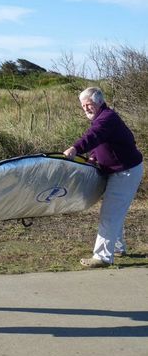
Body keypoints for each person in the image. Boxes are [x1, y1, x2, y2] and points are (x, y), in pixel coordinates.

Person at [63, 87, 143, 268]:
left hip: (126, 172)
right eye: (83, 106)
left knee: (110, 213)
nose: (85, 109)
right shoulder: (103, 118)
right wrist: (92, 158)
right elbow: (102, 144)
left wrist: (75, 148)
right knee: (115, 211)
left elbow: (93, 136)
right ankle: (117, 247)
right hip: (120, 170)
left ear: (99, 102)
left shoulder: (106, 118)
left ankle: (103, 257)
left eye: (88, 105)